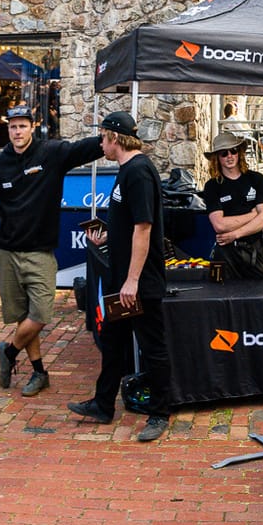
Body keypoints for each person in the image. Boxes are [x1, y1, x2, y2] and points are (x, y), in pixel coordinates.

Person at [0, 104, 106, 396]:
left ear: (32, 127)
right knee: (22, 316)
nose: (17, 132)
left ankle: (8, 352)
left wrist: (109, 136)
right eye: (13, 127)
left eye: (22, 126)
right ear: (8, 129)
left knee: (41, 314)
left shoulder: (51, 153)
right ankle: (39, 372)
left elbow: (83, 149)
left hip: (40, 252)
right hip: (7, 252)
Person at [69, 112, 170, 443]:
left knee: (153, 347)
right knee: (112, 342)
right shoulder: (126, 170)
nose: (100, 143)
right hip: (122, 280)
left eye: (103, 137)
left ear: (115, 138)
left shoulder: (138, 172)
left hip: (138, 283)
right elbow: (128, 224)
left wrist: (133, 281)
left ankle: (160, 412)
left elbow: (144, 228)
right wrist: (107, 235)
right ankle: (103, 404)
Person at [200, 132, 263, 282]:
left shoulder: (256, 179)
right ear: (217, 158)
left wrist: (235, 234)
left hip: (253, 250)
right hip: (226, 253)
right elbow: (220, 225)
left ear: (239, 153)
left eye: (233, 151)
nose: (230, 156)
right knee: (224, 292)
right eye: (224, 153)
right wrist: (253, 215)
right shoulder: (212, 186)